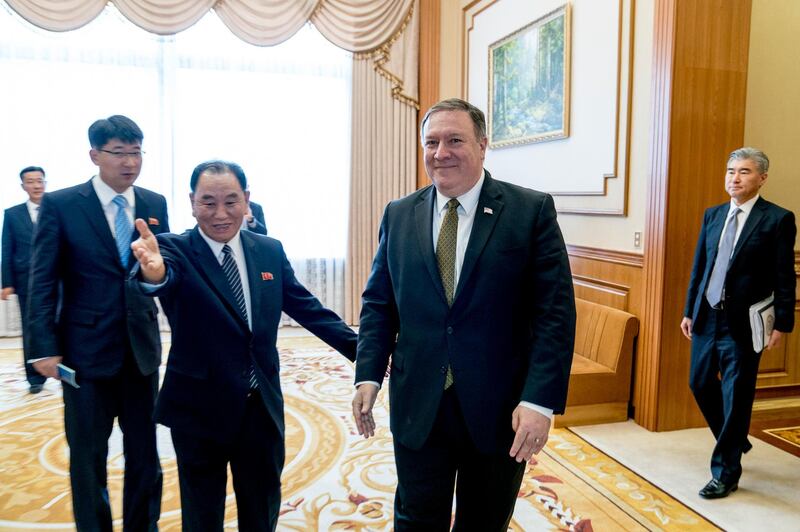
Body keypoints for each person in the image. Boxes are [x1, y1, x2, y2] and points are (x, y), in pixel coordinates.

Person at [351, 98, 576, 530]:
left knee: (485, 520)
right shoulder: (399, 214)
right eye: (431, 142)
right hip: (419, 401)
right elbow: (380, 304)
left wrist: (539, 401)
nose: (441, 153)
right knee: (416, 518)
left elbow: (555, 316)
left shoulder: (529, 212)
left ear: (483, 145)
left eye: (455, 140)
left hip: (499, 409)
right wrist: (368, 374)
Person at [130, 160, 357, 531]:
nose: (220, 214)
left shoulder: (268, 249)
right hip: (199, 410)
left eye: (231, 201)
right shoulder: (174, 249)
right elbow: (160, 275)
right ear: (191, 202)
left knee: (261, 506)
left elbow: (307, 308)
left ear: (247, 200)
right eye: (208, 202)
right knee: (202, 513)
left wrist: (364, 350)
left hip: (260, 408)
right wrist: (152, 272)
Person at [27, 115, 168, 530]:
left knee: (145, 452)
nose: (130, 162)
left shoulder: (154, 203)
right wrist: (42, 346)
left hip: (141, 351)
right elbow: (42, 280)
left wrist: (155, 276)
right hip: (84, 356)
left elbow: (161, 270)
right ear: (95, 155)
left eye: (136, 152)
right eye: (119, 153)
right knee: (88, 456)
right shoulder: (63, 204)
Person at [681, 147, 796, 499]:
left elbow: (784, 276)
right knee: (699, 383)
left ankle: (725, 472)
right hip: (706, 316)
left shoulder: (777, 219)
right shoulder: (713, 215)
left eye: (744, 171)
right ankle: (735, 439)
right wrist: (689, 310)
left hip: (744, 324)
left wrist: (783, 324)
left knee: (737, 396)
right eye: (731, 170)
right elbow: (700, 267)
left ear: (761, 177)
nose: (735, 177)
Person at [2, 166, 47, 393]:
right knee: (31, 329)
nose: (36, 185)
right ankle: (35, 378)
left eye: (39, 180)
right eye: (30, 182)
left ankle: (65, 368)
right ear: (23, 186)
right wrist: (6, 282)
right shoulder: (12, 214)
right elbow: (6, 248)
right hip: (25, 281)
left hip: (56, 279)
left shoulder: (57, 208)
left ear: (45, 182)